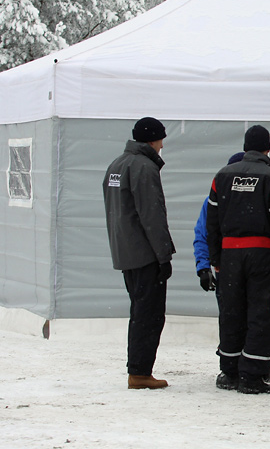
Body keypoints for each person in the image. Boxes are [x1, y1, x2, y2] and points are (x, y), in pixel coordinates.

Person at [193, 150, 270, 385]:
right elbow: (203, 234)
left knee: (241, 317)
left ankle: (253, 367)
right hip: (239, 266)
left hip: (230, 266)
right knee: (252, 317)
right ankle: (242, 370)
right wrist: (204, 266)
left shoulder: (240, 197)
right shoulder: (218, 201)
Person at [102, 116, 176, 390]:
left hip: (125, 251)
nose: (162, 146)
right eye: (161, 140)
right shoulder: (144, 167)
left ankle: (138, 368)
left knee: (139, 311)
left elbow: (116, 211)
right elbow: (152, 216)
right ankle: (140, 372)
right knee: (150, 314)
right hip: (146, 253)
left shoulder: (116, 165)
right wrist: (164, 255)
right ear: (153, 139)